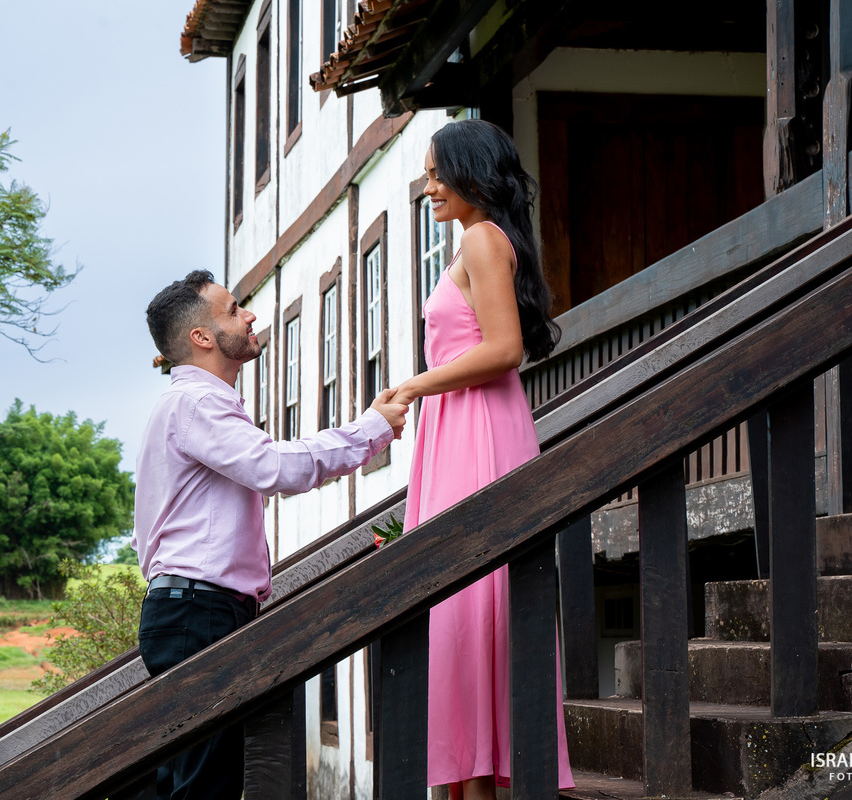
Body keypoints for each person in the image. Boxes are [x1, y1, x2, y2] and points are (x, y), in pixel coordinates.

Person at [135, 269, 408, 800]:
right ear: (202, 337)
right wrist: (370, 429)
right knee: (202, 789)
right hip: (199, 614)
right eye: (235, 308)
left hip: (195, 611)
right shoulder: (196, 404)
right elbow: (275, 467)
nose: (251, 314)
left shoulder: (189, 405)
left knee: (197, 782)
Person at [390, 120, 574, 800]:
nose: (429, 186)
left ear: (473, 174)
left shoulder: (480, 239)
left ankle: (480, 785)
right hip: (462, 423)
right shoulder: (482, 242)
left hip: (477, 426)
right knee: (462, 607)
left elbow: (502, 350)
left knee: (472, 602)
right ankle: (471, 782)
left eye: (438, 172)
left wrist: (415, 383)